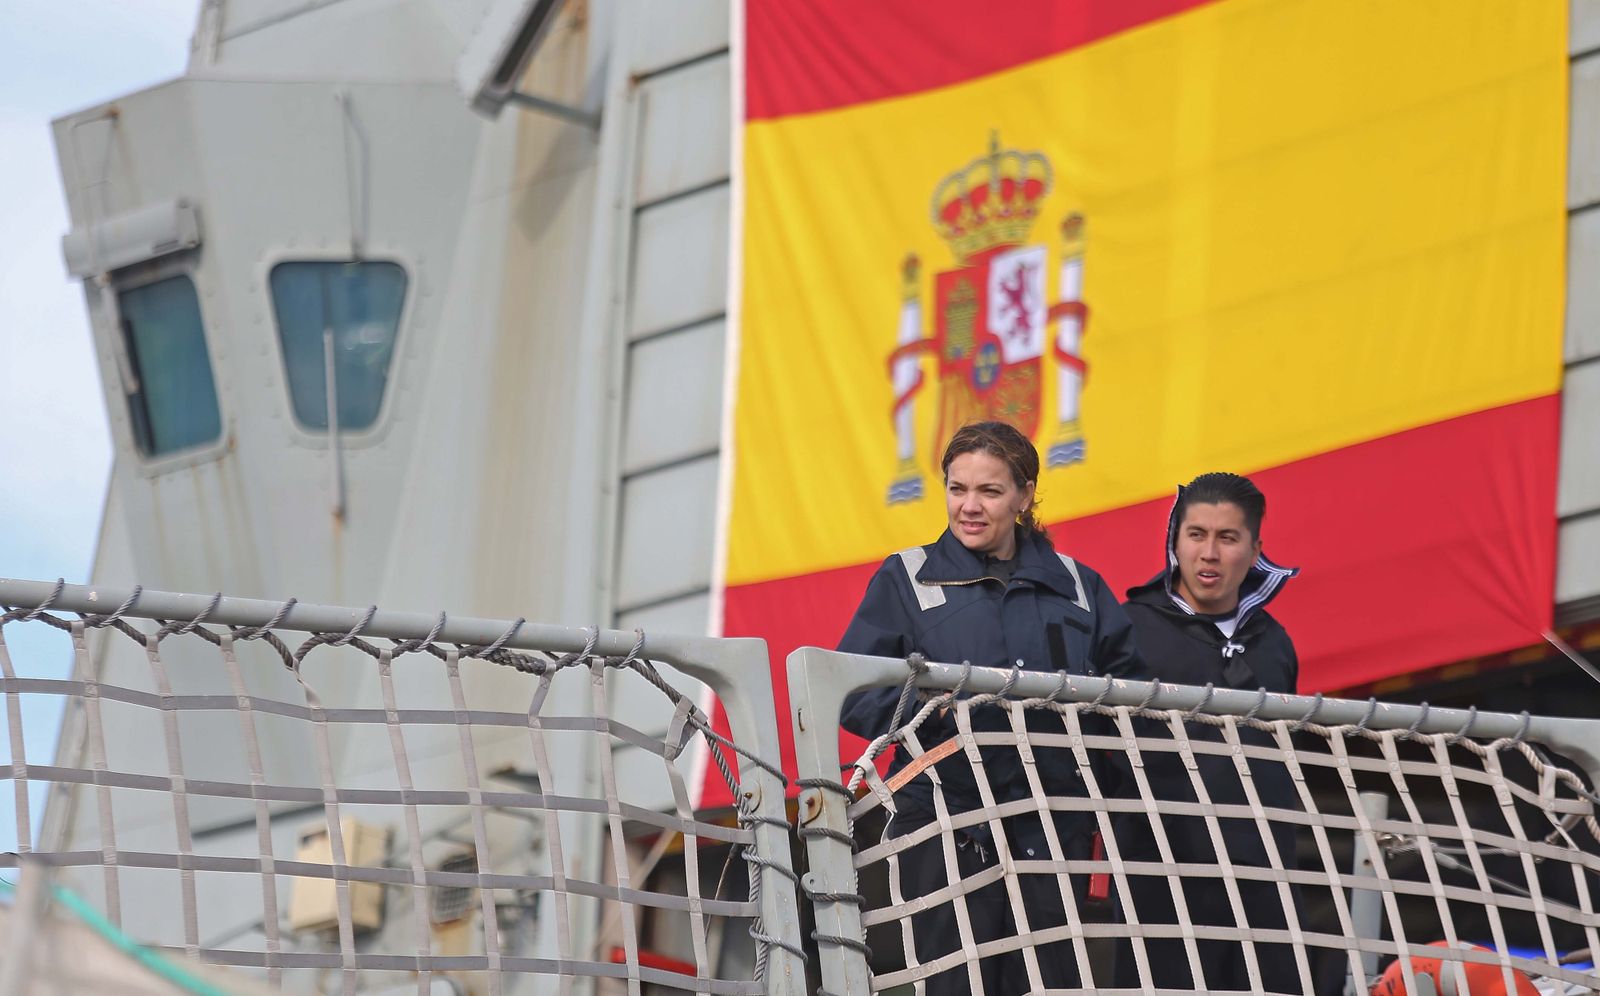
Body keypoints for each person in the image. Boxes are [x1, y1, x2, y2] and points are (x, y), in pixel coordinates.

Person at [837, 420, 1147, 994]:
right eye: (958, 489)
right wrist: (944, 729)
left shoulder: (1081, 588)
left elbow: (1128, 709)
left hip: (1055, 836)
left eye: (989, 491)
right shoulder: (905, 578)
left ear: (1025, 496)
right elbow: (855, 691)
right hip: (943, 830)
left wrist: (1094, 798)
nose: (969, 507)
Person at [1114, 471, 1306, 992]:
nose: (1210, 553)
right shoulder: (1125, 630)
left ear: (1255, 548)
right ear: (1175, 541)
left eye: (1227, 537)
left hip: (1262, 878)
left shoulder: (1276, 643)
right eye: (1196, 534)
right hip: (1160, 878)